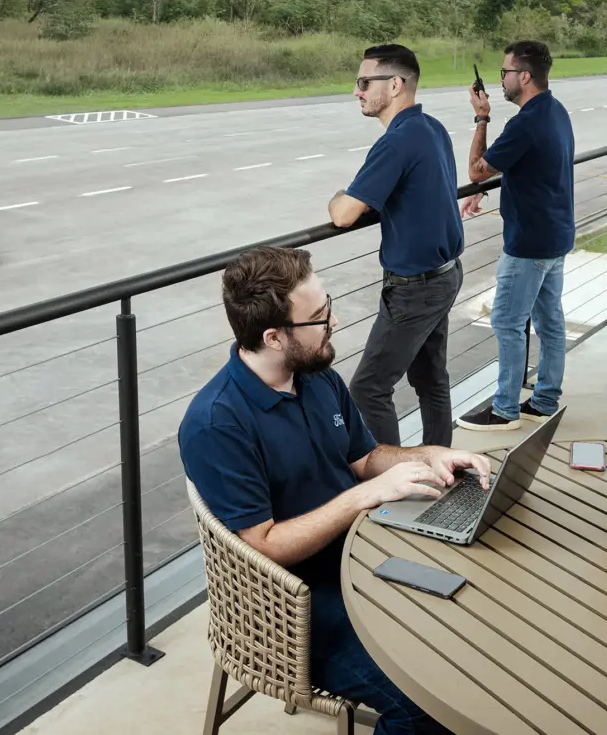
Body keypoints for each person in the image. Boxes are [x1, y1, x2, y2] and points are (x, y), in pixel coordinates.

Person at [179, 245, 488, 735]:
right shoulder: (217, 424)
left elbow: (364, 458)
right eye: (318, 317)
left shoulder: (315, 376)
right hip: (292, 607)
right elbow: (262, 547)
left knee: (475, 625)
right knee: (429, 706)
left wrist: (428, 455)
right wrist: (364, 496)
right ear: (274, 336)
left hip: (366, 559)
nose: (334, 322)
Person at [329, 44, 465, 447]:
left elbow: (344, 214)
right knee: (430, 380)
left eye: (363, 82)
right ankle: (442, 464)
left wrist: (339, 193)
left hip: (415, 288)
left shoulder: (397, 141)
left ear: (395, 85)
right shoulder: (432, 128)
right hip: (445, 273)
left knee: (368, 388)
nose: (357, 91)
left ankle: (390, 482)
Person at [457, 40, 575, 431]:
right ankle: (544, 400)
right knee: (551, 322)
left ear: (524, 76)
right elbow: (531, 165)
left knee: (507, 323)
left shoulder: (524, 121)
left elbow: (477, 169)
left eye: (505, 72)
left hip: (528, 243)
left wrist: (481, 117)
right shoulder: (555, 111)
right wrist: (489, 187)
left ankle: (504, 409)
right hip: (555, 236)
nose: (501, 79)